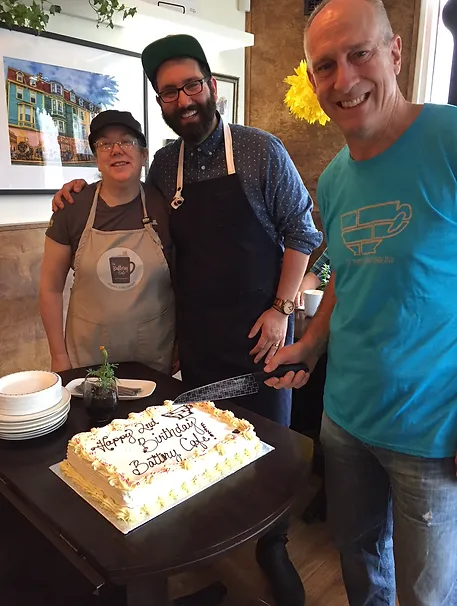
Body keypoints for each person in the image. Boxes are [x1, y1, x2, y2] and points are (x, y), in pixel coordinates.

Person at [51, 35, 323, 606]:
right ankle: (207, 544)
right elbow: (124, 195)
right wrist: (74, 191)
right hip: (196, 341)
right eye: (169, 92)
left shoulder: (259, 150)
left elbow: (302, 231)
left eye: (191, 85)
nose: (183, 99)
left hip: (262, 336)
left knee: (268, 452)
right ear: (160, 100)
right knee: (201, 449)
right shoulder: (165, 165)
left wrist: (281, 309)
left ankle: (272, 549)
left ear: (213, 87)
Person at [265, 1, 457, 605]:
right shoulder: (334, 179)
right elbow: (346, 275)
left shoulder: (450, 140)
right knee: (359, 568)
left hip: (433, 431)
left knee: (426, 594)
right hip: (345, 422)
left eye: (359, 54)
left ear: (395, 52)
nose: (344, 80)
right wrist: (310, 345)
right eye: (325, 65)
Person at [40, 110, 175, 374]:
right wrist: (58, 356)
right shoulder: (72, 207)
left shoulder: (166, 207)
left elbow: (182, 283)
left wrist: (182, 343)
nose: (116, 150)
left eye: (126, 141)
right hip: (86, 358)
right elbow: (50, 288)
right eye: (104, 144)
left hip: (154, 358)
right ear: (97, 159)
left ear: (143, 155)